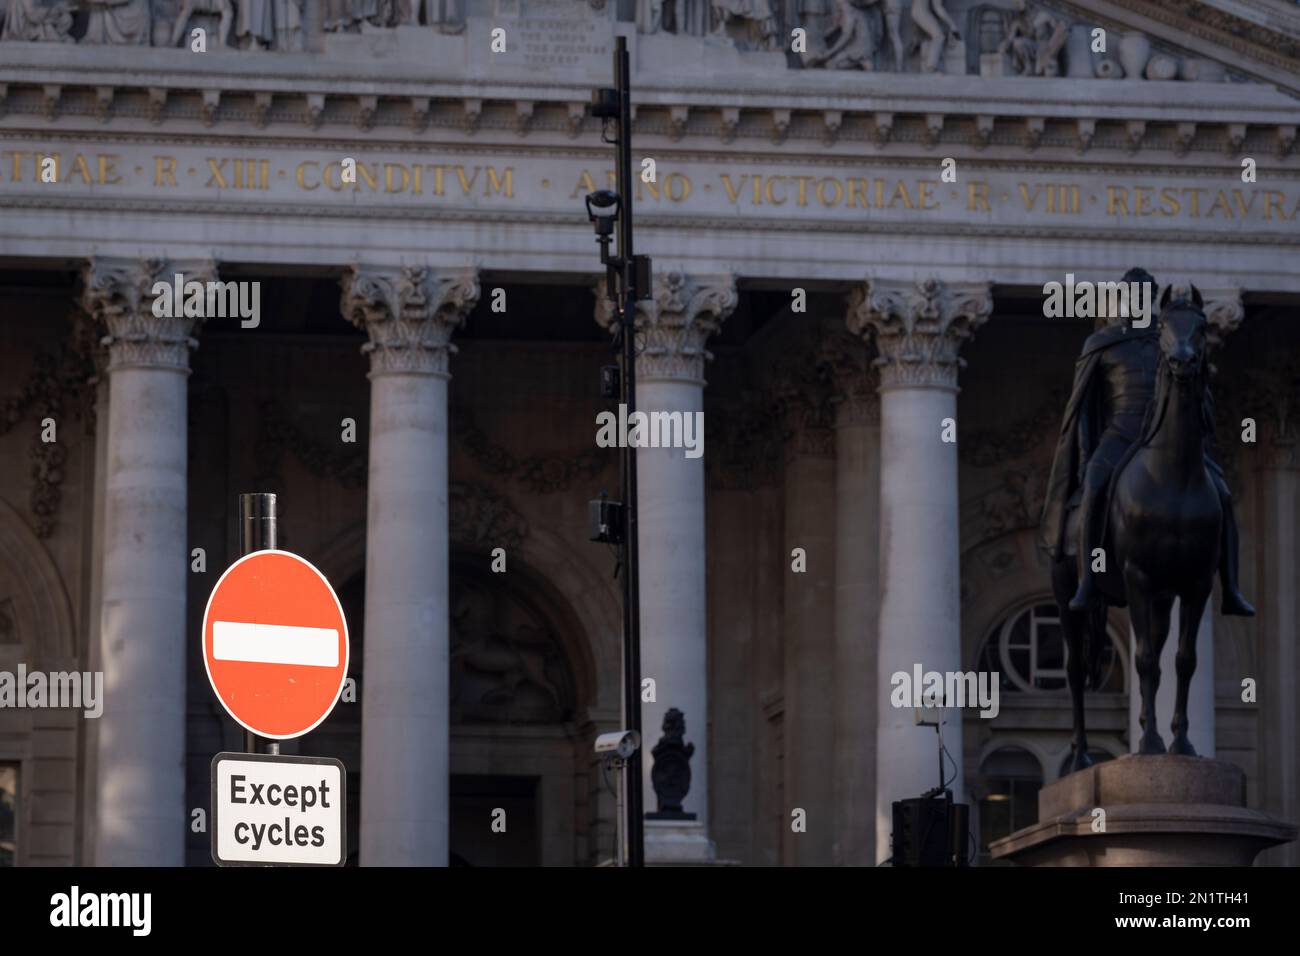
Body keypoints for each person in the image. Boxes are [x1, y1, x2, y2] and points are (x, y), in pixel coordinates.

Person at [1041, 268, 1254, 616]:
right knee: (1094, 486)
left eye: (1145, 296)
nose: (1139, 302)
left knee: (1223, 495)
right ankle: (1088, 581)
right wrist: (1083, 456)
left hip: (1165, 435)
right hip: (1120, 434)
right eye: (1132, 296)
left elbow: (1198, 391)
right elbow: (1080, 408)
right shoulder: (1103, 343)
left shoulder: (1172, 340)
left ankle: (1231, 588)